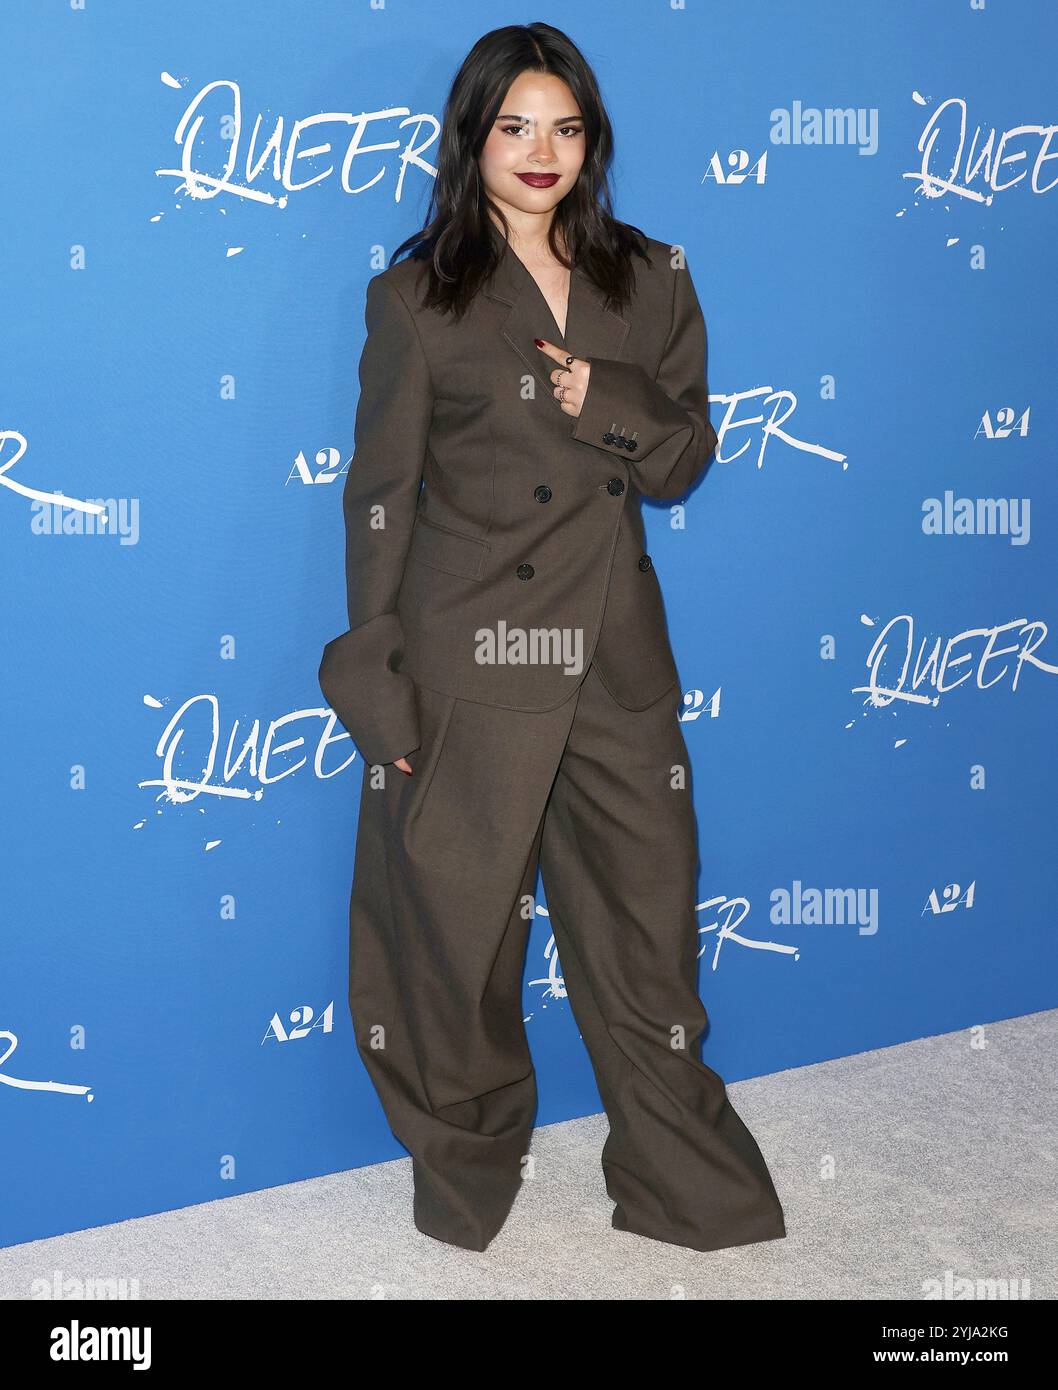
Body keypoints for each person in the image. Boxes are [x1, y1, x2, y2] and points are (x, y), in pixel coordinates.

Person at [318, 21, 786, 1255]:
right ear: (470, 136)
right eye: (514, 125)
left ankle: (684, 1179)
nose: (541, 151)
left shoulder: (650, 275)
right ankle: (466, 1172)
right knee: (458, 943)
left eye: (565, 126)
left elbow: (683, 456)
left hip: (613, 660)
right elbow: (379, 496)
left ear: (593, 142)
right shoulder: (417, 296)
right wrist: (374, 671)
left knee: (647, 934)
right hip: (468, 667)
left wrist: (604, 398)